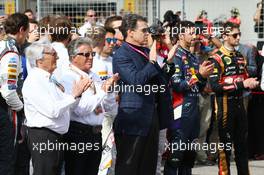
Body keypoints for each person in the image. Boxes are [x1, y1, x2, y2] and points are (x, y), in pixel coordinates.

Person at [113, 13, 175, 175]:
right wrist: (152, 62)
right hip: (133, 120)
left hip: (151, 117)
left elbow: (161, 81)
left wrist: (169, 61)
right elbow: (136, 81)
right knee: (129, 167)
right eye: (144, 30)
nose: (148, 33)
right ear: (130, 32)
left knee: (148, 167)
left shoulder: (145, 51)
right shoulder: (122, 54)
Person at [22, 39, 89, 175]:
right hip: (43, 136)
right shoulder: (35, 81)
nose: (57, 57)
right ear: (39, 60)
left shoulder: (49, 78)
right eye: (53, 54)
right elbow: (52, 111)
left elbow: (66, 106)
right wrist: (73, 96)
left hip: (55, 136)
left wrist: (77, 95)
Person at [58, 38, 118, 175]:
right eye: (85, 55)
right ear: (73, 58)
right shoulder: (69, 77)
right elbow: (81, 109)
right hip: (78, 134)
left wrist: (109, 92)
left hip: (96, 133)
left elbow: (108, 107)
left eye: (92, 54)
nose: (90, 58)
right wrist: (103, 91)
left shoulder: (94, 76)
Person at [164, 21, 214, 175]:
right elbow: (178, 85)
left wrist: (204, 77)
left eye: (195, 33)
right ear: (180, 35)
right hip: (179, 114)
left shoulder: (192, 56)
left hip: (193, 112)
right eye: (191, 33)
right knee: (175, 159)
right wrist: (199, 75)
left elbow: (197, 87)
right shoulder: (175, 56)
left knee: (188, 160)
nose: (195, 36)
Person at [208, 22, 259, 175]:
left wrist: (250, 83)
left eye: (239, 35)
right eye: (235, 35)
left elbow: (243, 81)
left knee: (242, 147)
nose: (238, 38)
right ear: (225, 36)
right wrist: (242, 84)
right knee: (225, 150)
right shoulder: (216, 59)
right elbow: (215, 87)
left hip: (240, 106)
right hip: (224, 108)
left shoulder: (240, 57)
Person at [0, 13, 29, 175]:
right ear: (21, 30)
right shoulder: (11, 52)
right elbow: (9, 91)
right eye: (26, 32)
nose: (26, 37)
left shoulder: (2, 45)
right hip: (5, 111)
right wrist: (21, 108)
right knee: (7, 159)